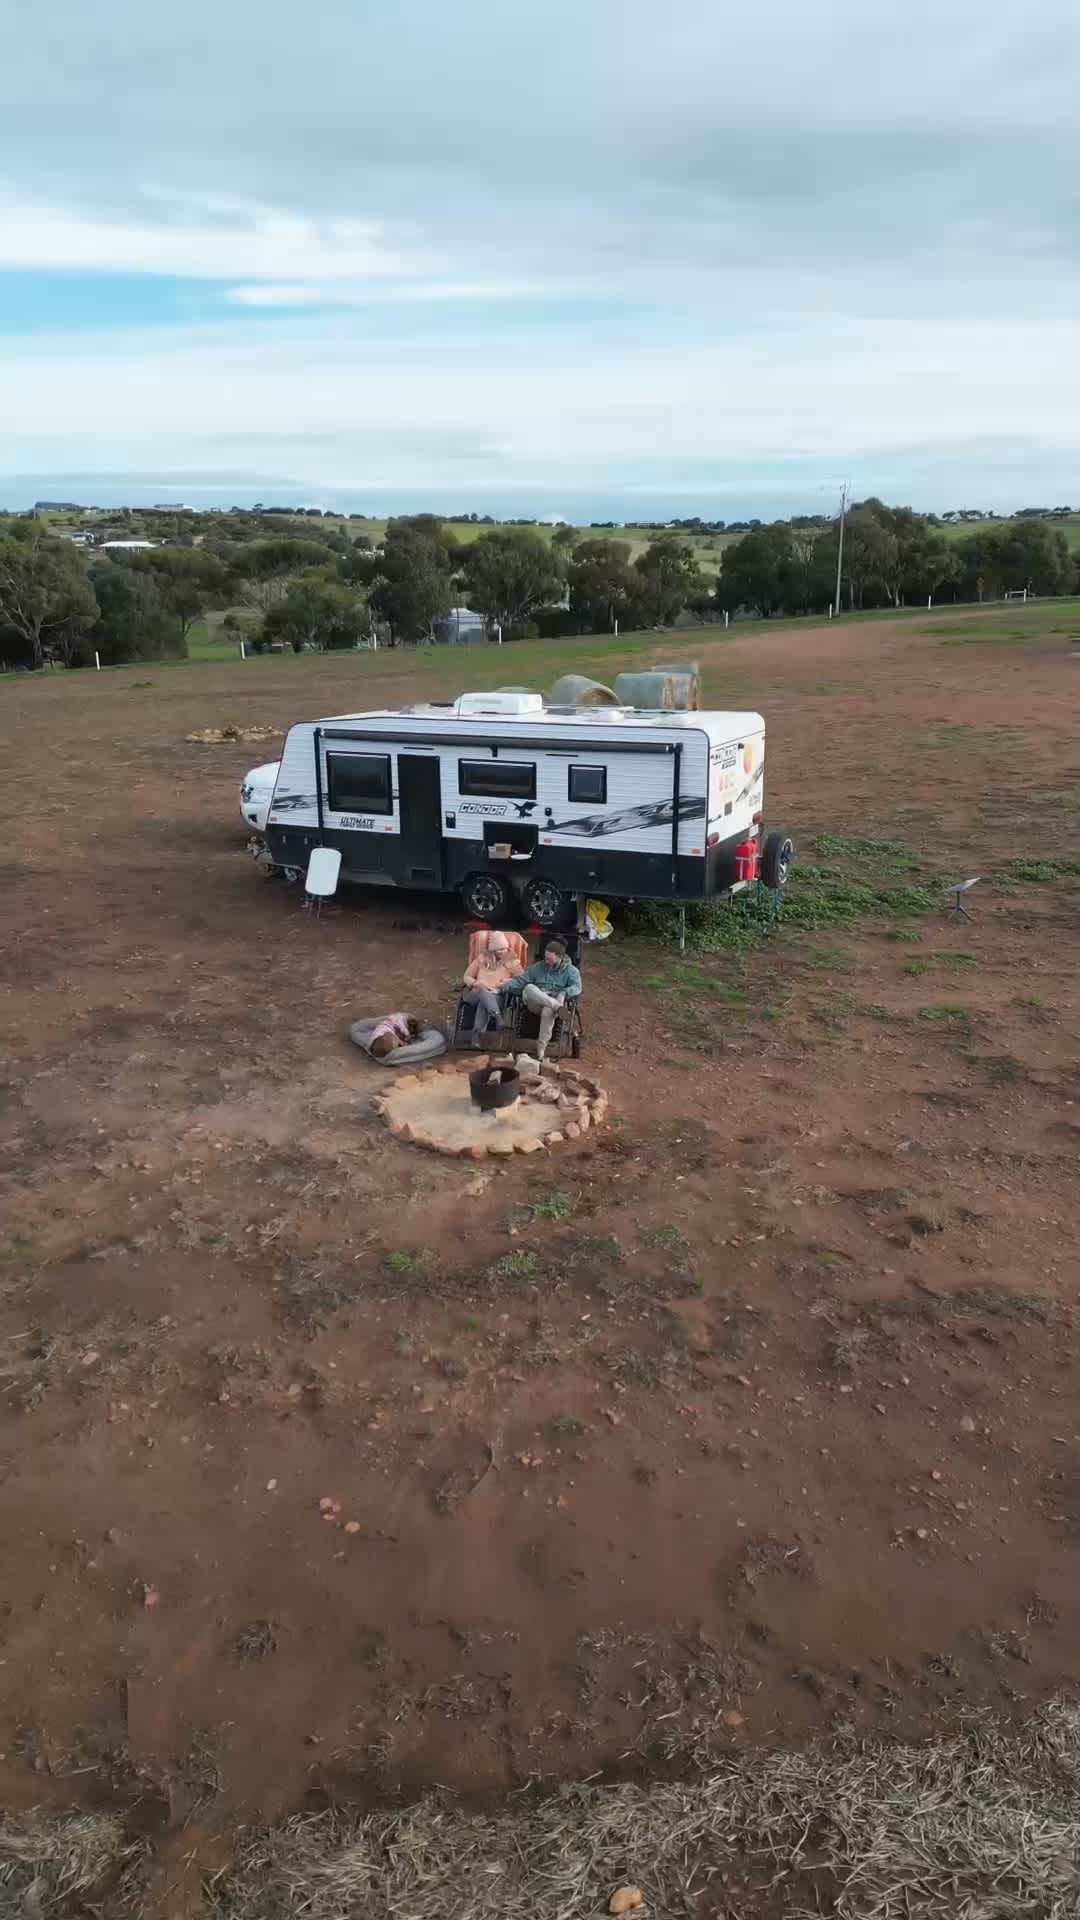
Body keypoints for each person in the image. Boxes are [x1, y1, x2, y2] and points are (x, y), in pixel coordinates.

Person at [501, 936, 582, 1060]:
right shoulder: (538, 967)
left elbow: (577, 987)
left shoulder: (571, 971)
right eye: (545, 957)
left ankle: (541, 1049)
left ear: (559, 957)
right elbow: (521, 981)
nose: (546, 960)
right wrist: (502, 986)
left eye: (549, 958)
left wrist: (564, 992)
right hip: (535, 1002)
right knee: (529, 987)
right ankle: (557, 1007)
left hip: (550, 1003)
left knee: (548, 1011)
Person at [462, 930, 522, 1043]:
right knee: (482, 991)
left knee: (484, 1002)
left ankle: (476, 1036)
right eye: (499, 949)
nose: (503, 951)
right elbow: (467, 976)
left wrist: (506, 981)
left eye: (504, 948)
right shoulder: (481, 958)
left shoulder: (513, 961)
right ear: (492, 950)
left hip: (497, 995)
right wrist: (475, 983)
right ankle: (498, 1017)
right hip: (475, 993)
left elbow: (521, 980)